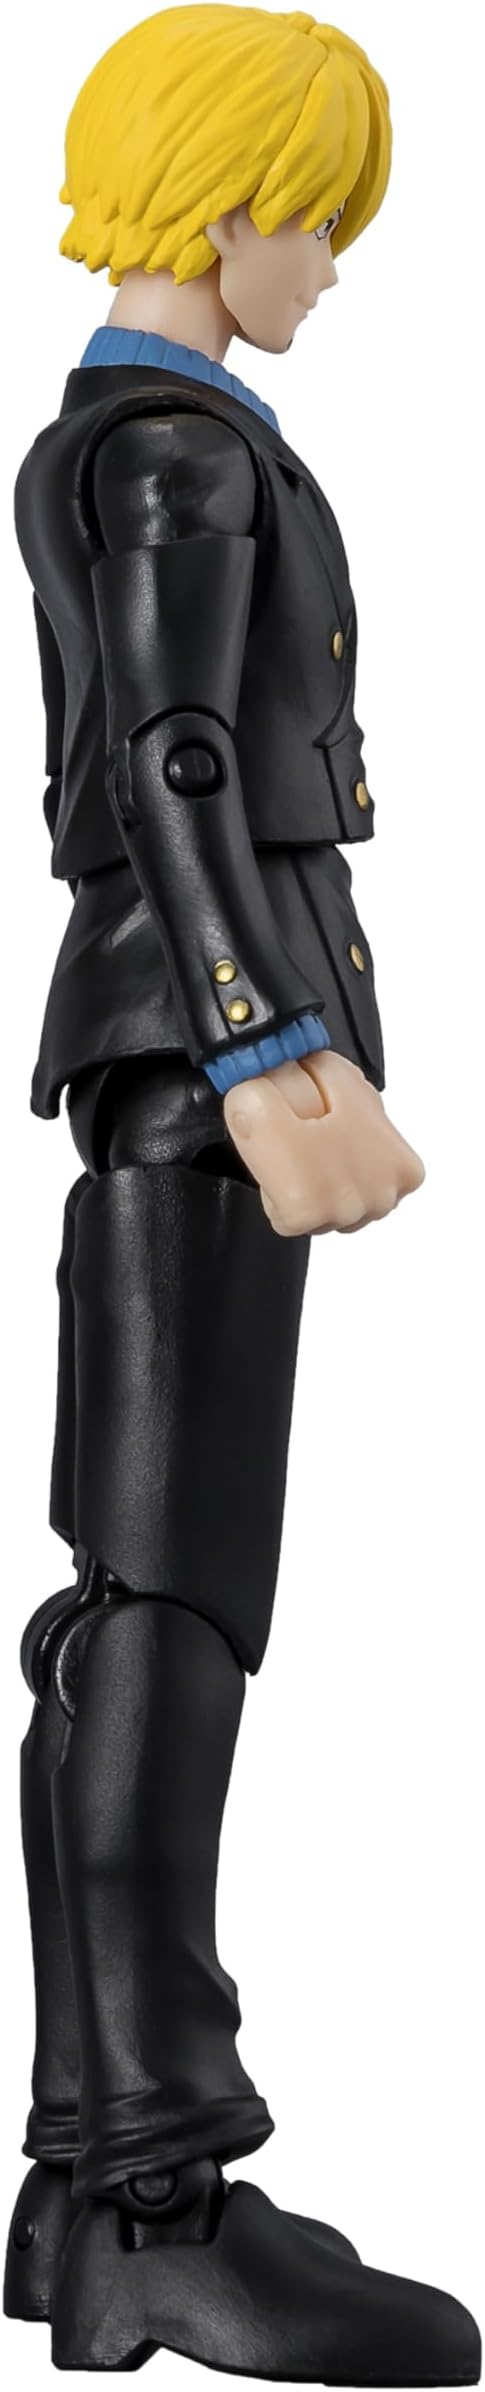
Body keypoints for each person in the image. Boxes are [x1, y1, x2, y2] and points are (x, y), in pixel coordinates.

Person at [4, 8, 480, 2380]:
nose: (329, 265)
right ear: (224, 206)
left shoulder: (133, 440)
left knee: (152, 1599)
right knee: (168, 1604)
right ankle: (148, 2189)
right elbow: (181, 762)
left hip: (193, 1061)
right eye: (316, 216)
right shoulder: (178, 452)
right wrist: (273, 1048)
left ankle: (92, 2183)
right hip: (205, 1073)